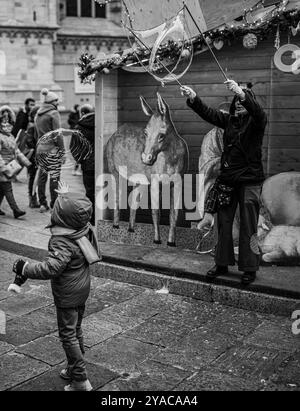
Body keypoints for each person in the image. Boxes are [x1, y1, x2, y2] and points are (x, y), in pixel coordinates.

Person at [11, 181, 101, 391]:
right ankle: (73, 368)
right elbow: (75, 210)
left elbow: (51, 268)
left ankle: (80, 379)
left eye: (57, 208)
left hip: (68, 295)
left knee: (67, 335)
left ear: (62, 217)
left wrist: (25, 268)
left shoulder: (62, 241)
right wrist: (67, 196)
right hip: (81, 290)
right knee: (75, 329)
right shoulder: (82, 228)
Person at [181, 80, 267, 285]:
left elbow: (258, 113)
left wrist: (242, 93)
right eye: (236, 99)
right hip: (228, 180)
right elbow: (209, 113)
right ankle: (221, 263)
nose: (238, 102)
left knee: (249, 227)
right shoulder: (229, 121)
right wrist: (193, 97)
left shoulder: (257, 122)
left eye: (242, 100)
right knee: (223, 224)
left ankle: (250, 267)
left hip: (250, 181)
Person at [0, 106, 31, 218]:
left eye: (8, 122)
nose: (6, 124)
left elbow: (17, 151)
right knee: (7, 188)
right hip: (3, 167)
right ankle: (15, 210)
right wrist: (3, 168)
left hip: (10, 166)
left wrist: (26, 162)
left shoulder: (11, 136)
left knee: (2, 189)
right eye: (4, 121)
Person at [35, 88, 63, 212]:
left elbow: (37, 134)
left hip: (40, 148)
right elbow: (58, 134)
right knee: (54, 177)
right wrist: (62, 151)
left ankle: (42, 203)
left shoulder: (38, 114)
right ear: (51, 101)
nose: (58, 103)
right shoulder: (54, 113)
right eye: (56, 100)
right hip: (52, 149)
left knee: (42, 177)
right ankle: (53, 204)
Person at [72, 104, 95, 224]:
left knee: (90, 191)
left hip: (88, 166)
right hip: (102, 163)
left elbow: (74, 148)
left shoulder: (79, 128)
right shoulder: (100, 122)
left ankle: (92, 217)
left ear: (81, 113)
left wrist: (81, 160)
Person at [25, 105, 40, 208]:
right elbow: (29, 141)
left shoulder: (35, 125)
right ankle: (32, 199)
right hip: (33, 156)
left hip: (35, 155)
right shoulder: (32, 126)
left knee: (34, 177)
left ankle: (33, 199)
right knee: (33, 177)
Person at [68, 104, 82, 176]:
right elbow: (69, 121)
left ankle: (76, 170)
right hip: (75, 130)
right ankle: (75, 170)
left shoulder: (79, 114)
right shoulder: (73, 114)